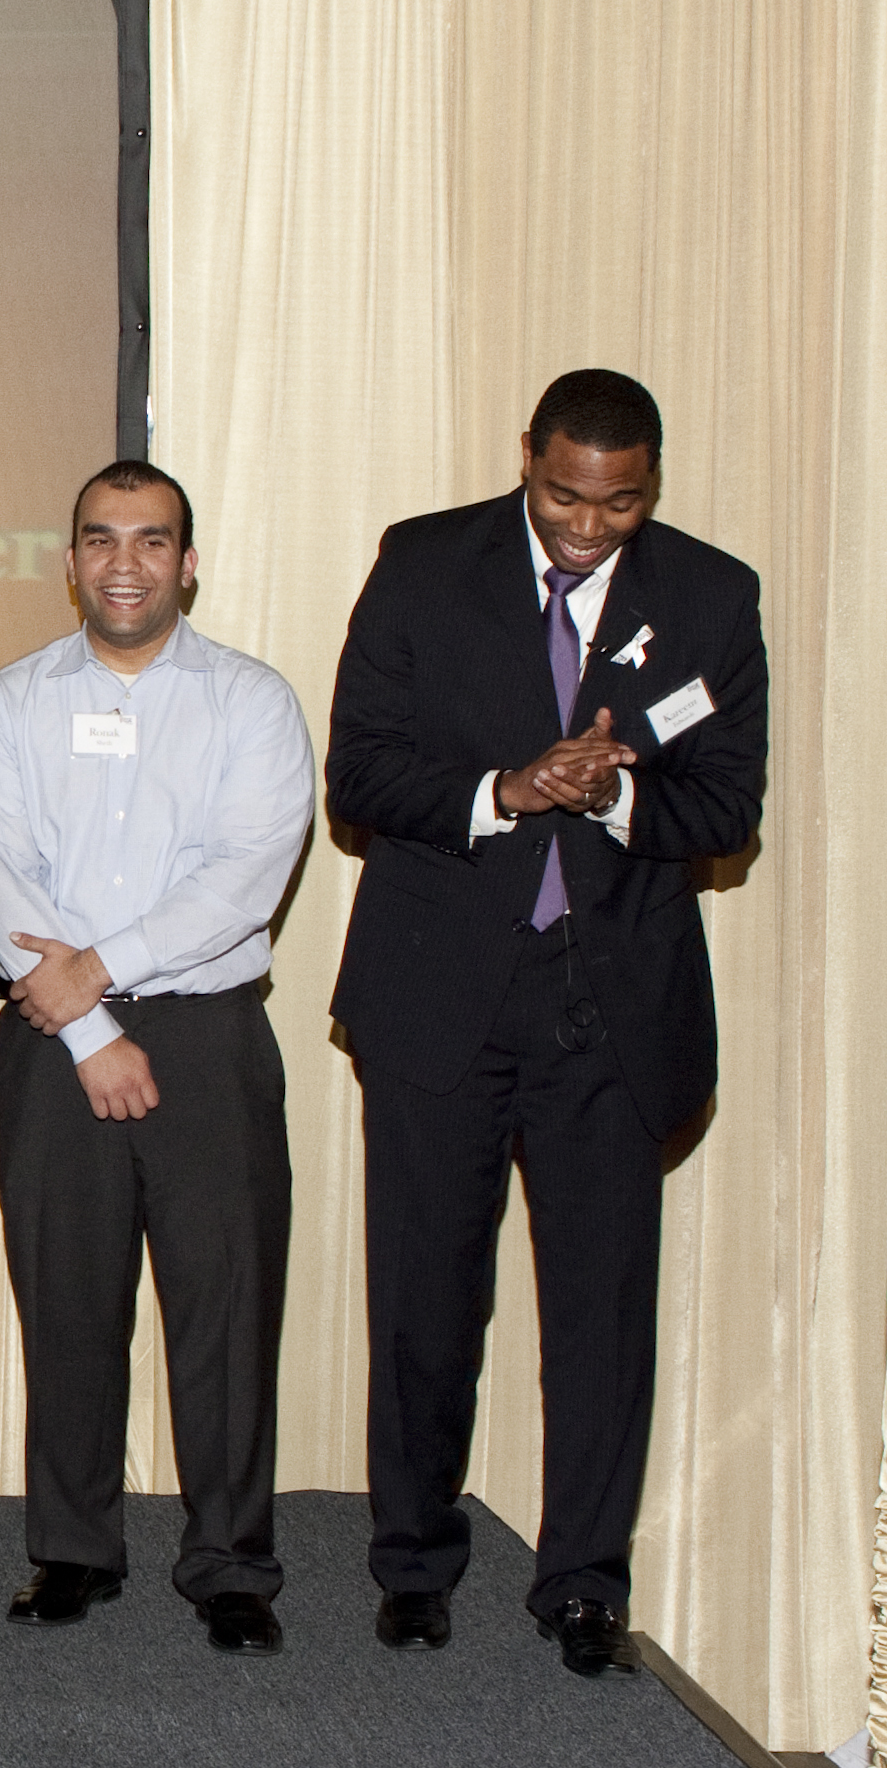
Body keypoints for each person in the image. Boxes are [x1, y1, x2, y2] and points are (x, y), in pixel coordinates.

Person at [329, 368, 768, 1678]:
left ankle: (583, 1584)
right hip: (440, 997)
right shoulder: (423, 563)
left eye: (617, 503)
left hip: (609, 1014)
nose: (586, 527)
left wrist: (621, 798)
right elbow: (362, 773)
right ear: (528, 459)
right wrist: (509, 788)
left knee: (600, 1314)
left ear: (653, 482)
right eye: (564, 498)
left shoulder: (709, 594)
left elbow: (728, 809)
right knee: (424, 1302)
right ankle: (414, 1562)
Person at [0, 462, 314, 1655]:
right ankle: (72, 1549)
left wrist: (98, 972)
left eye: (151, 542)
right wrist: (91, 1022)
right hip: (54, 1042)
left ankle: (231, 1562)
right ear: (68, 562)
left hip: (207, 1036)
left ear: (188, 562)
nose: (124, 563)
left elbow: (249, 869)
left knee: (226, 1304)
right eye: (101, 540)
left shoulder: (253, 702)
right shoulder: (9, 702)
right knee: (66, 1300)